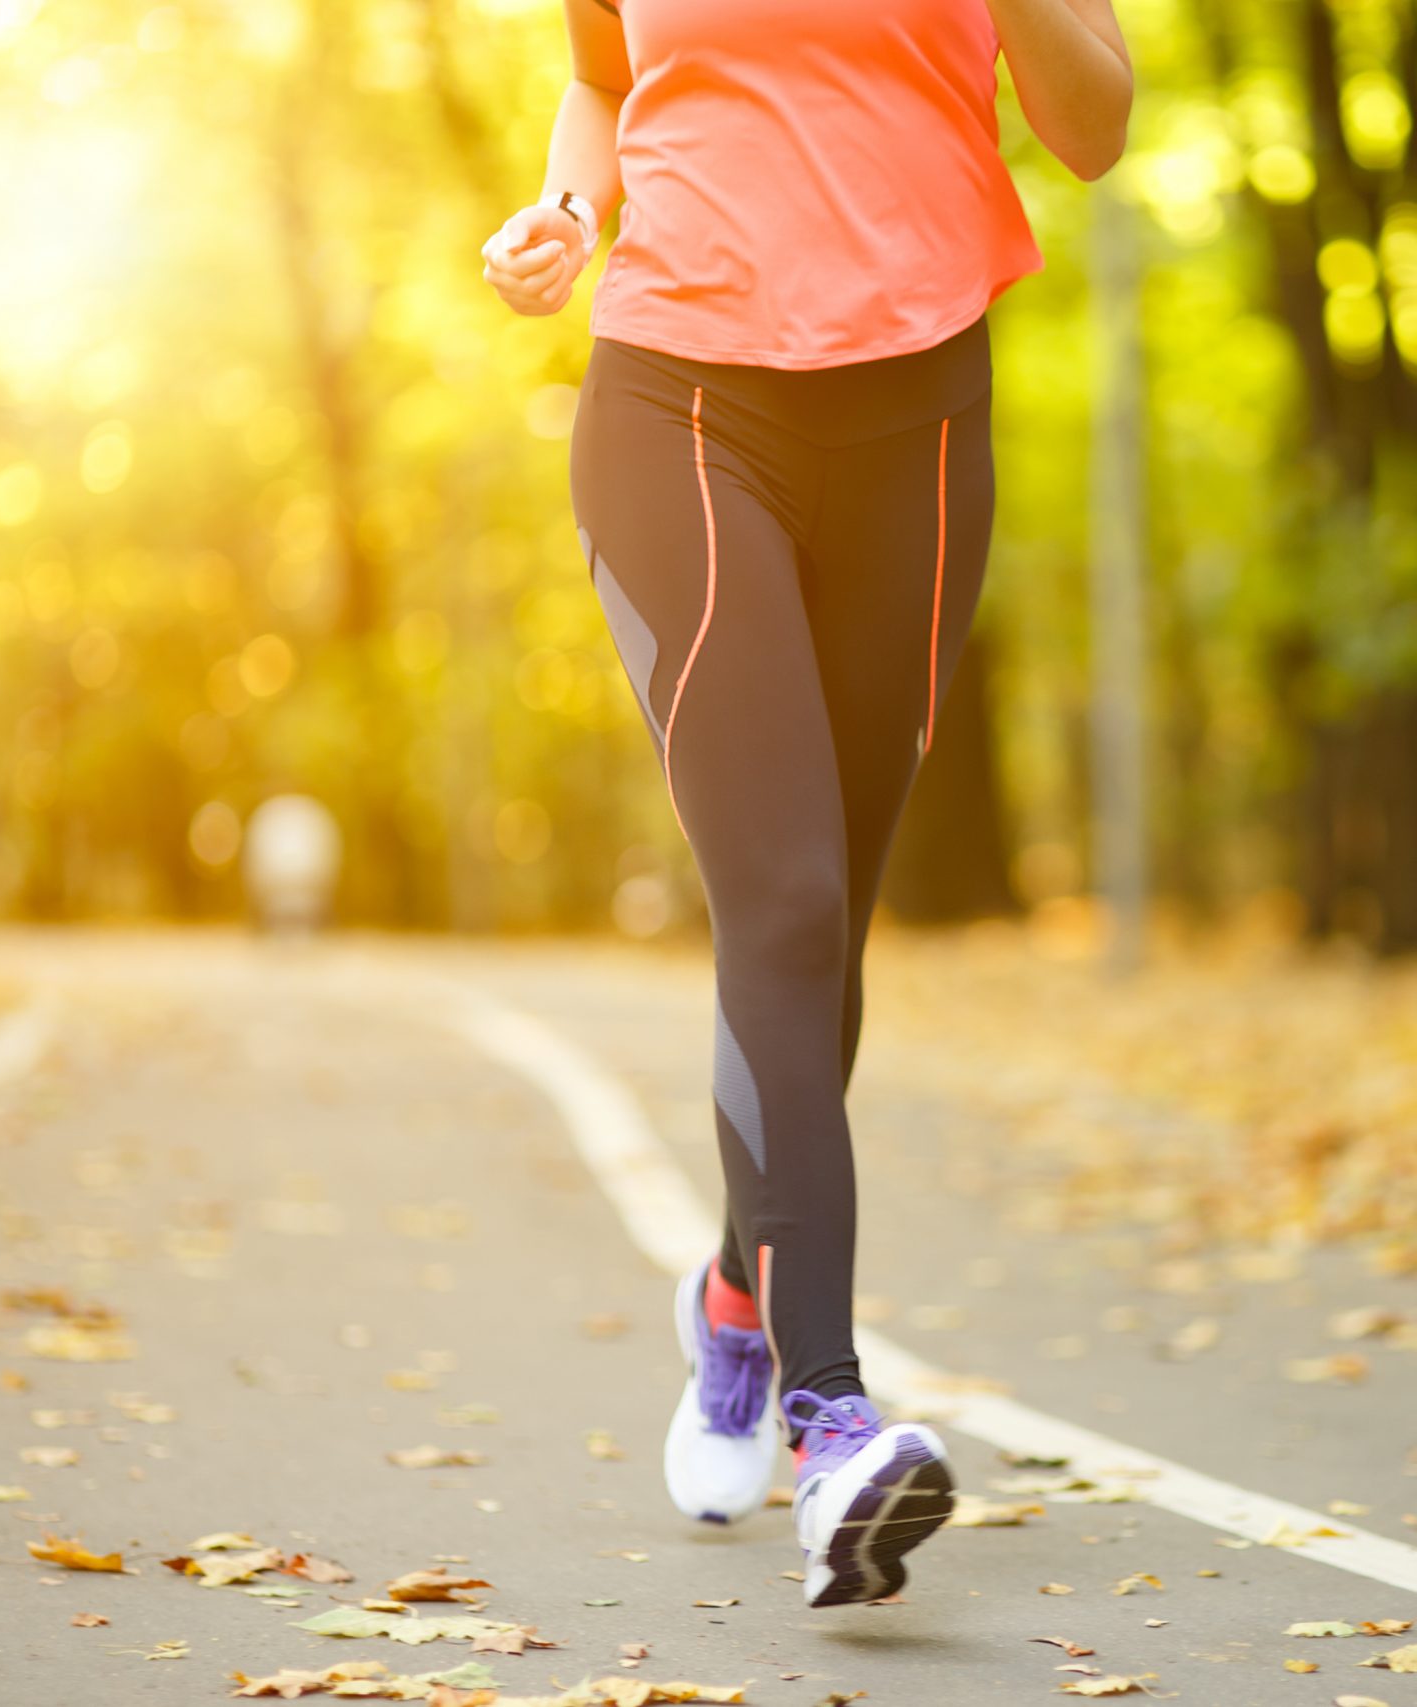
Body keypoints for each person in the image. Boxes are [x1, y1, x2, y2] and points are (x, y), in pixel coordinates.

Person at [480, 0, 1130, 1609]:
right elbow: (599, 81)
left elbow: (1097, 127)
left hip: (920, 409)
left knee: (828, 937)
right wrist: (571, 209)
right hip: (678, 399)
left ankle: (734, 1295)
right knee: (781, 901)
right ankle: (830, 1417)